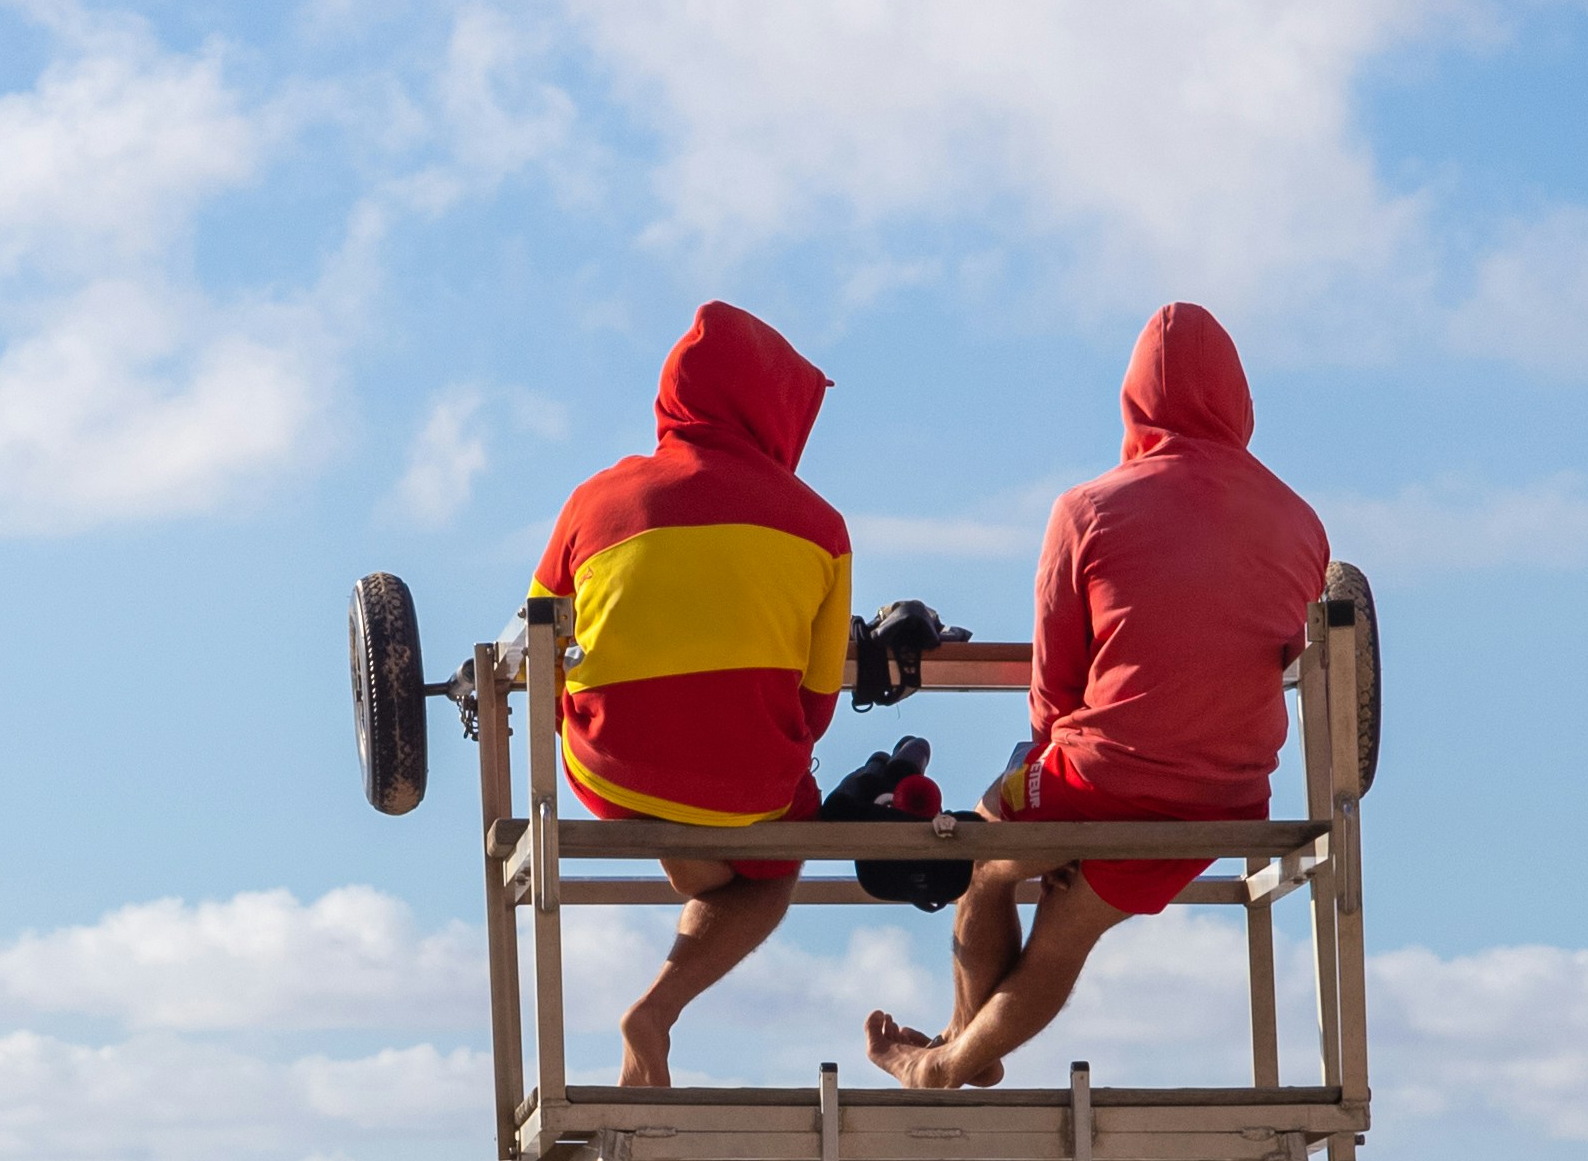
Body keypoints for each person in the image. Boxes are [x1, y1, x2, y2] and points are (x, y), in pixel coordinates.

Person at [867, 305, 1325, 1092]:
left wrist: (1054, 772)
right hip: (1228, 800)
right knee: (1064, 937)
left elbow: (1053, 684)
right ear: (1239, 400)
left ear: (1134, 399)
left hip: (1101, 778)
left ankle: (947, 1057)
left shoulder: (1088, 510)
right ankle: (961, 1049)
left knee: (983, 861)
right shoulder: (1302, 525)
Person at [528, 302, 850, 1085]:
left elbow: (538, 634)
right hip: (740, 784)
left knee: (688, 809)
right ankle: (660, 1008)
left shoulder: (592, 500)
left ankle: (679, 836)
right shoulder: (821, 527)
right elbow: (814, 707)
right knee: (773, 861)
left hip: (607, 770)